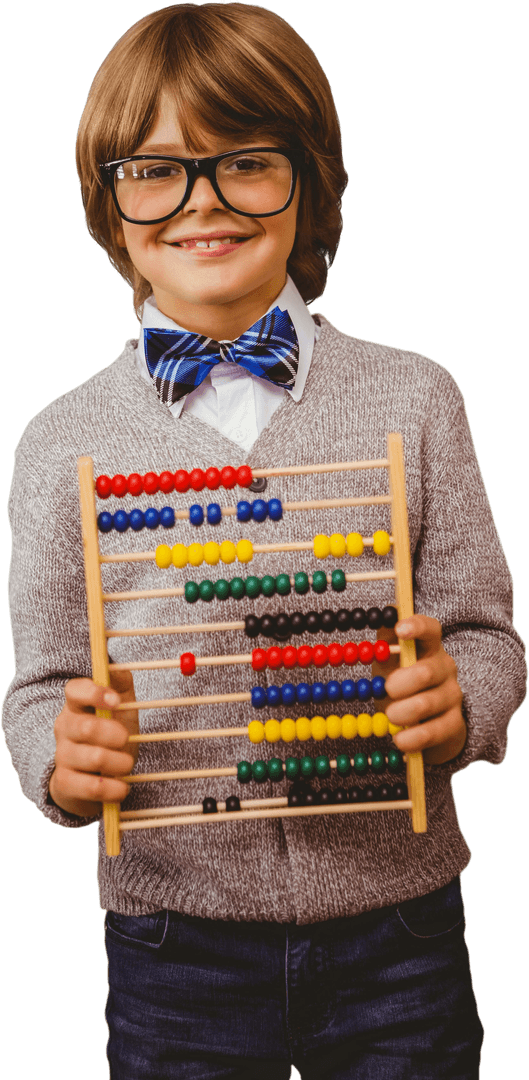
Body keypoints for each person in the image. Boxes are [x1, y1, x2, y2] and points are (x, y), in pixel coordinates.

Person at [2, 4, 526, 1077]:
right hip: (170, 941)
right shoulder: (61, 443)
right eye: (155, 168)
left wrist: (461, 699)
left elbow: (486, 631)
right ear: (110, 203)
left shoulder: (414, 399)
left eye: (244, 161)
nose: (203, 202)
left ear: (308, 179)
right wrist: (60, 760)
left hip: (400, 928)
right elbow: (40, 683)